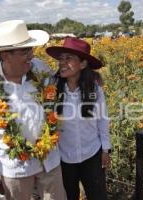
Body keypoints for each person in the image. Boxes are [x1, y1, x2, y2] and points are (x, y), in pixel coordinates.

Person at [0, 20, 66, 200]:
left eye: (31, 49)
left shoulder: (40, 69)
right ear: (5, 55)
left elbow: (57, 97)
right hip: (15, 167)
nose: (31, 55)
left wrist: (89, 78)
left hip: (50, 160)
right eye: (25, 51)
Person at [46, 37, 111, 200]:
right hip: (63, 157)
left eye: (69, 58)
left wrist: (105, 149)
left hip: (92, 154)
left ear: (82, 64)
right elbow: (45, 118)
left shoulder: (93, 88)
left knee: (98, 195)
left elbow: (102, 119)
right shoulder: (52, 88)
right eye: (61, 58)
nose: (62, 62)